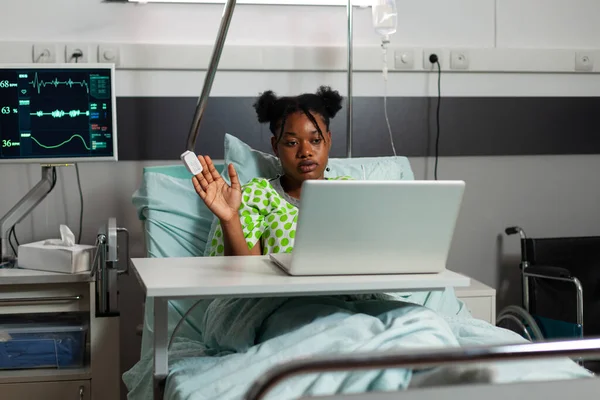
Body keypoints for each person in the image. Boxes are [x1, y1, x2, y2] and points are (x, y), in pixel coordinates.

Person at [193, 85, 349, 257]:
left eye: (316, 140)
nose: (305, 152)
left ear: (329, 139)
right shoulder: (257, 196)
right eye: (291, 143)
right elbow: (243, 274)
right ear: (275, 146)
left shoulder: (352, 192)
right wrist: (230, 220)